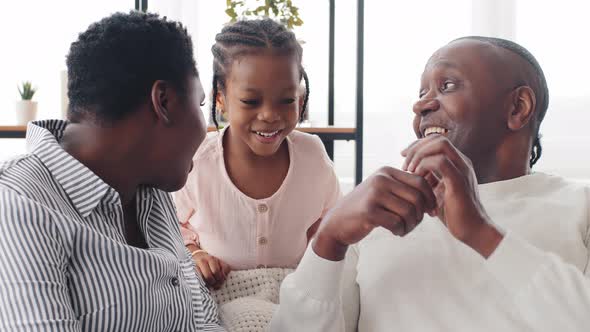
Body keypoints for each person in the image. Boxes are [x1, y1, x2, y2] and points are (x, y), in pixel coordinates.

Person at [270, 36, 590, 331]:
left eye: (447, 85)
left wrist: (481, 233)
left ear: (517, 108)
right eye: (422, 93)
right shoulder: (377, 215)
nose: (421, 105)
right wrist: (328, 240)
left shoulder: (579, 205)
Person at [0, 12, 225, 331]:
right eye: (200, 106)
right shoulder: (19, 204)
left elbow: (204, 320)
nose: (207, 129)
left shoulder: (151, 186)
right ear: (163, 101)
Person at [173, 18, 341, 289]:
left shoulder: (312, 156)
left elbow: (332, 221)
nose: (270, 115)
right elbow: (170, 228)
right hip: (222, 296)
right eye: (251, 101)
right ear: (221, 98)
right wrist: (197, 254)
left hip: (293, 295)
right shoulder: (197, 163)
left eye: (286, 100)